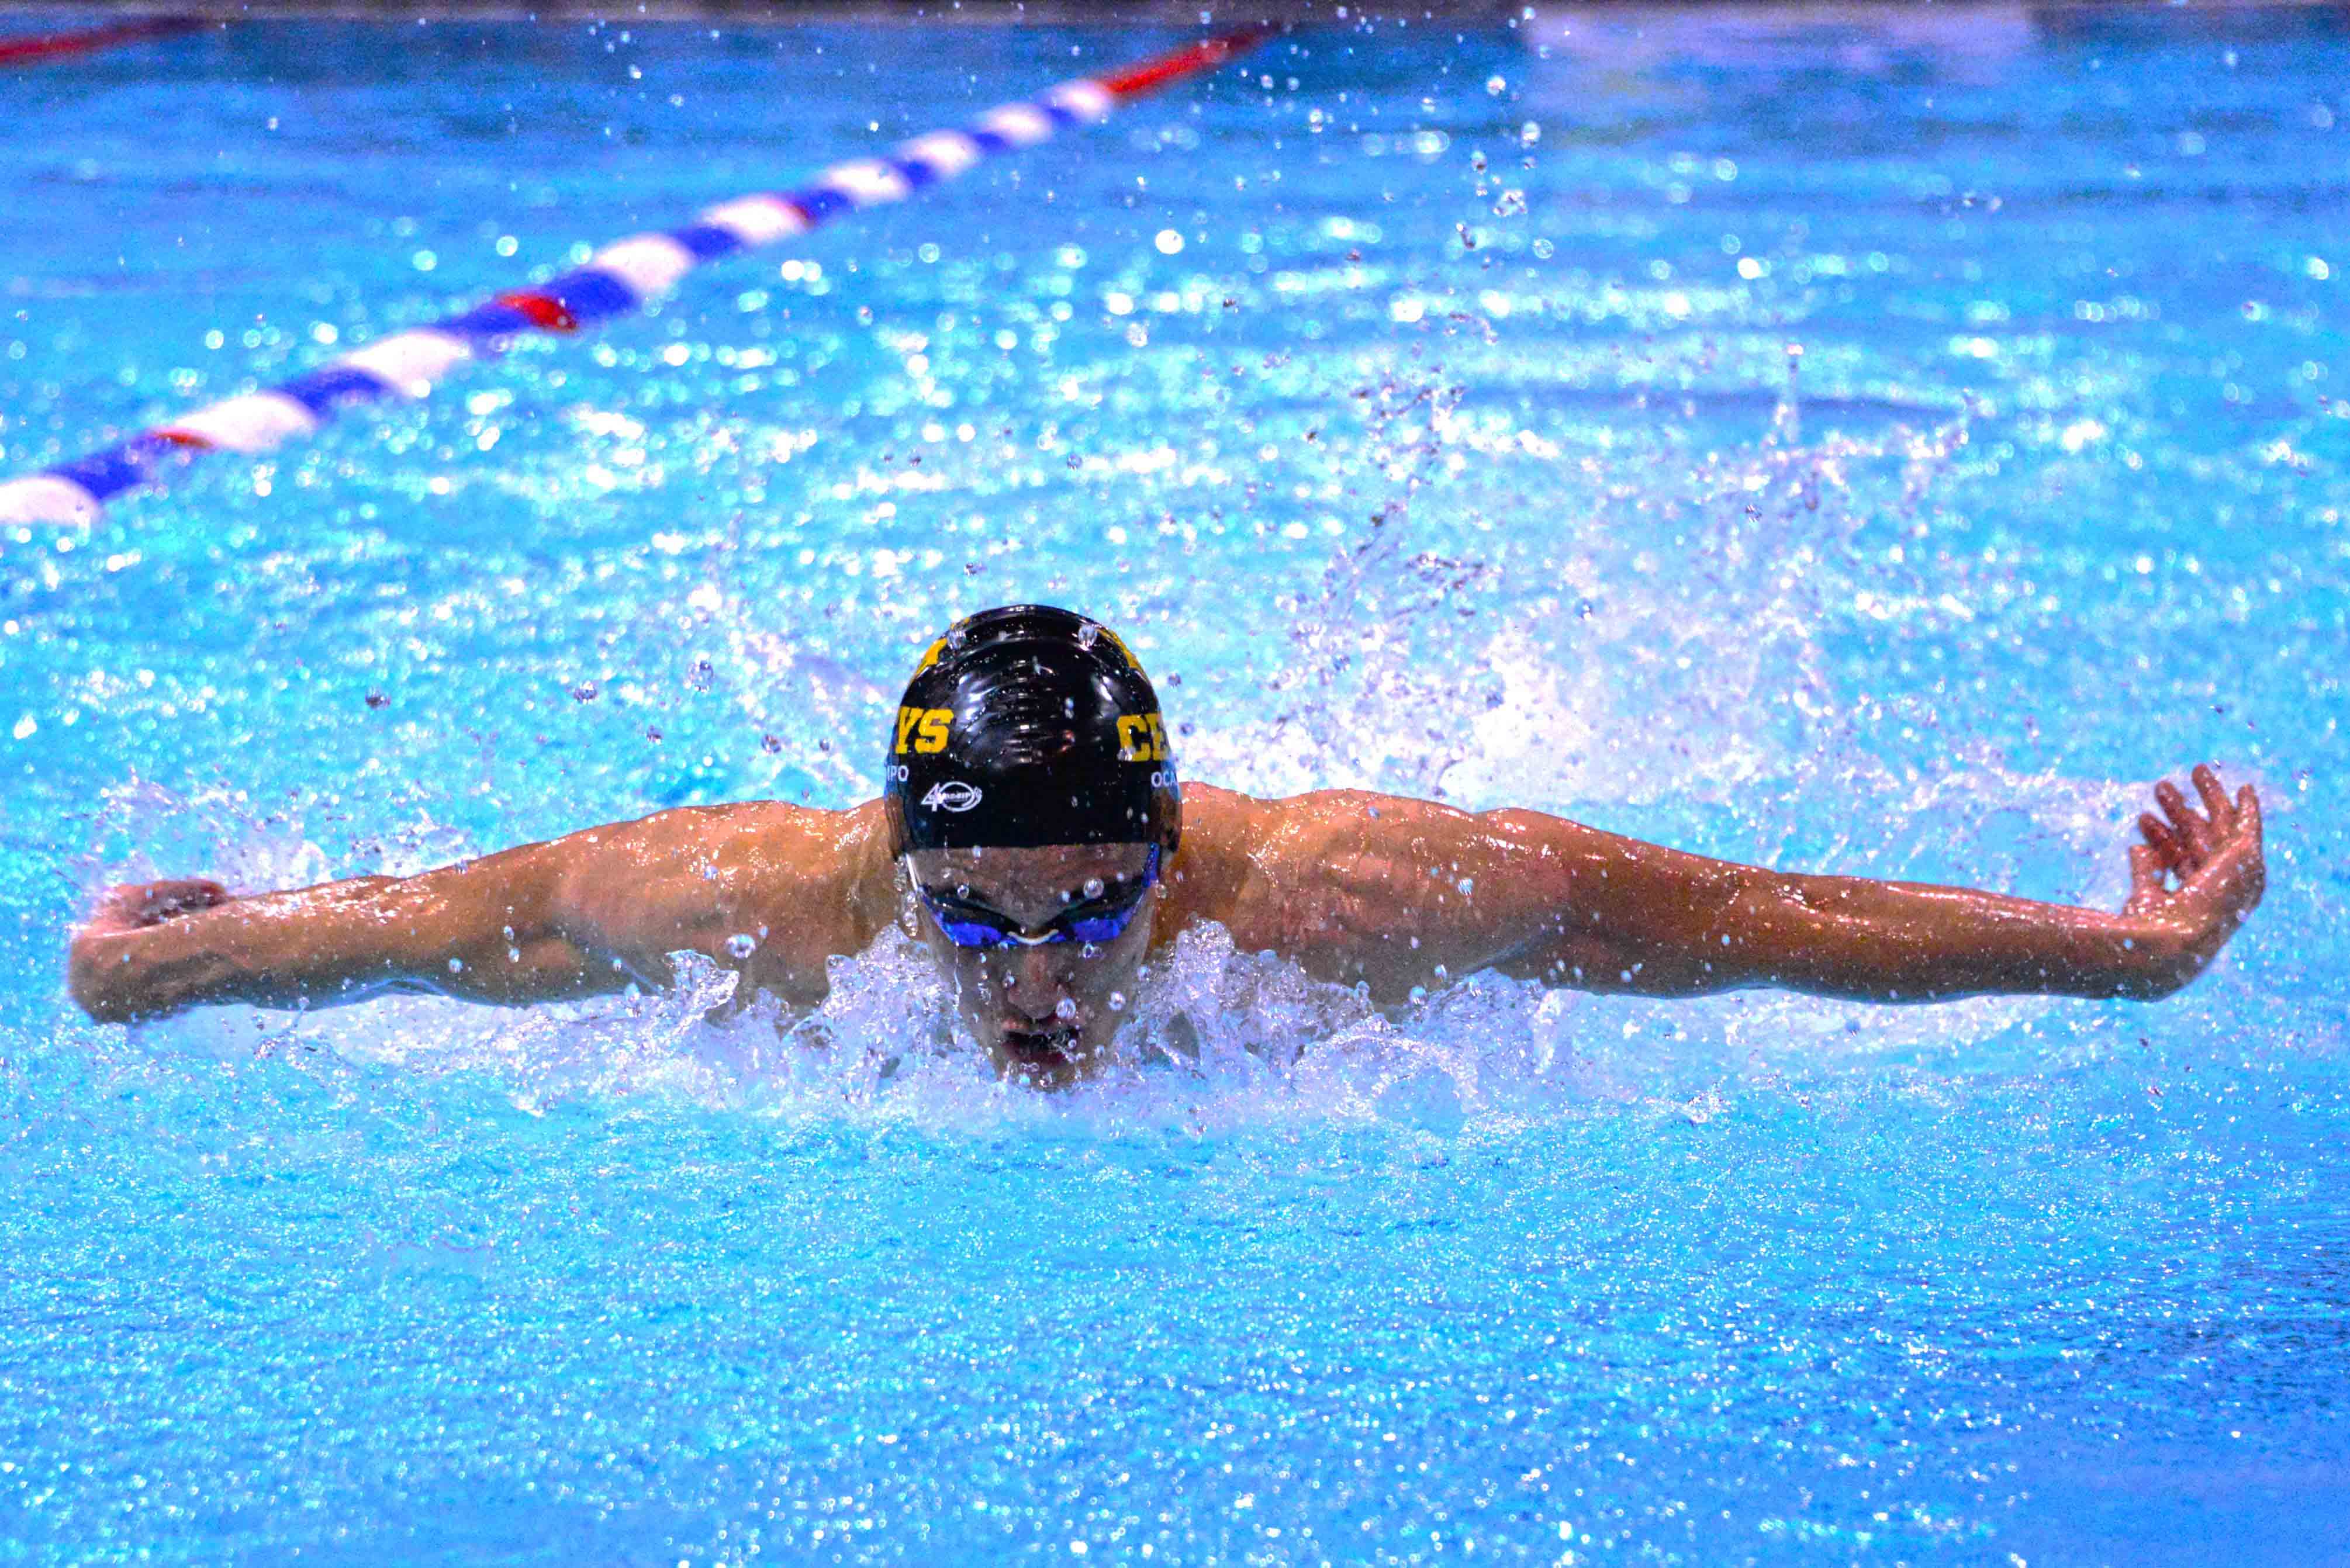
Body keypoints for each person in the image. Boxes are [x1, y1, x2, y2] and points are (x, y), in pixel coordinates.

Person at [67, 604, 2266, 1087]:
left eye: (1094, 908)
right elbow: (463, 919)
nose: (1039, 977)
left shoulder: (1334, 894)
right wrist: (157, 958)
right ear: (899, 859)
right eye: (984, 917)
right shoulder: (769, 902)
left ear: (1169, 854)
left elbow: (1742, 921)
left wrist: (2123, 947)